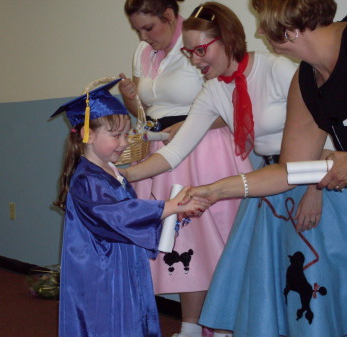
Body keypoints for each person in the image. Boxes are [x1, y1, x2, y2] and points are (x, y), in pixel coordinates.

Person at [119, 2, 335, 336]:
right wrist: (122, 175)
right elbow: (175, 151)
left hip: (315, 180)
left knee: (316, 275)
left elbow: (325, 131)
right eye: (189, 52)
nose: (195, 60)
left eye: (200, 50)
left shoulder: (276, 69)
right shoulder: (213, 91)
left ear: (228, 39)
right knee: (273, 279)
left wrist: (314, 190)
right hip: (270, 182)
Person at [178, 1, 347, 336]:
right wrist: (214, 191)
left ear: (290, 27)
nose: (257, 31)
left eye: (263, 23)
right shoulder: (306, 80)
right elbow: (291, 171)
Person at [119, 2, 252, 336]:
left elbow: (230, 102)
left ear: (169, 16)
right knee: (181, 239)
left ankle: (224, 325)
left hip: (207, 145)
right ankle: (191, 326)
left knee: (217, 237)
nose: (143, 36)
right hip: (164, 145)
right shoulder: (143, 52)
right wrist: (129, 97)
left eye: (149, 28)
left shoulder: (197, 45)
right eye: (138, 30)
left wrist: (192, 126)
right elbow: (146, 110)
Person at [50, 77, 209, 337]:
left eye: (126, 134)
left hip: (123, 266)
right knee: (108, 324)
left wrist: (175, 215)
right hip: (101, 273)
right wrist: (166, 207)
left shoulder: (113, 172)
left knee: (132, 319)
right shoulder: (86, 179)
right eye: (116, 136)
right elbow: (118, 216)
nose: (124, 143)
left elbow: (132, 214)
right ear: (87, 134)